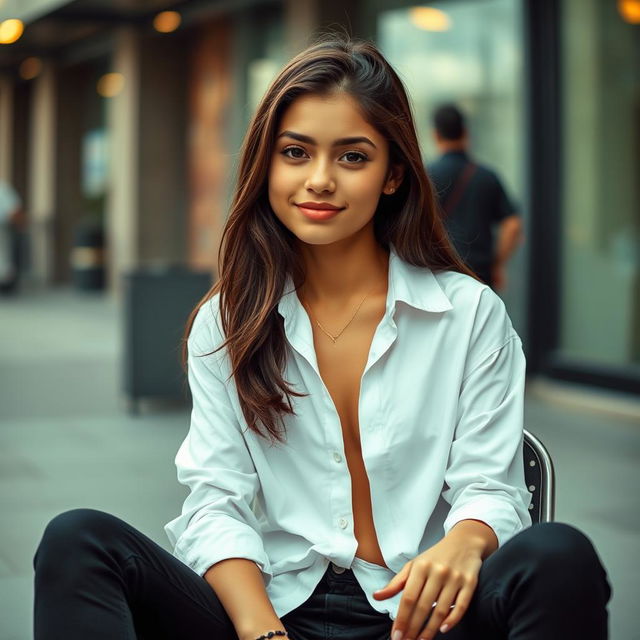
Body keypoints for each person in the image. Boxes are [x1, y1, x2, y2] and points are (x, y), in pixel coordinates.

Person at [33, 37, 611, 640]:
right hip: (278, 609)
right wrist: (263, 632)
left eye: (353, 157)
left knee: (558, 555)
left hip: (421, 616)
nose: (319, 180)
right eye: (295, 152)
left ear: (393, 175)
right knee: (78, 542)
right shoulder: (231, 321)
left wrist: (465, 540)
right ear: (268, 165)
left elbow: (492, 487)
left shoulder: (468, 315)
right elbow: (215, 502)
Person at [427, 104, 523, 291]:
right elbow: (513, 225)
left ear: (436, 135)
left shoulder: (424, 178)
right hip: (479, 275)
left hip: (436, 275)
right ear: (465, 133)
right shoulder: (487, 176)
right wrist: (496, 263)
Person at [0, 179, 23, 295]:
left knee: (4, 257)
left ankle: (6, 283)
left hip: (3, 226)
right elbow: (14, 211)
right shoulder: (3, 189)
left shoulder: (3, 189)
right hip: (3, 227)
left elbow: (14, 211)